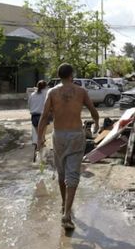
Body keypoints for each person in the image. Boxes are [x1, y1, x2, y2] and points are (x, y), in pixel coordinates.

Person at [37, 63, 99, 230]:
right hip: (76, 135)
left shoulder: (52, 92)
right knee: (72, 174)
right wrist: (97, 124)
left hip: (58, 135)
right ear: (71, 75)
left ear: (59, 75)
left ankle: (65, 204)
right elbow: (93, 111)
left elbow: (44, 117)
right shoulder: (81, 91)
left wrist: (39, 138)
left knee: (62, 172)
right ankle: (66, 213)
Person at [28, 80, 48, 160]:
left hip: (34, 117)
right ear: (45, 86)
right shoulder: (46, 94)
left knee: (39, 136)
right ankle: (40, 155)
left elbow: (29, 105)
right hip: (42, 116)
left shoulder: (32, 94)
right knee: (42, 137)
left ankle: (38, 154)